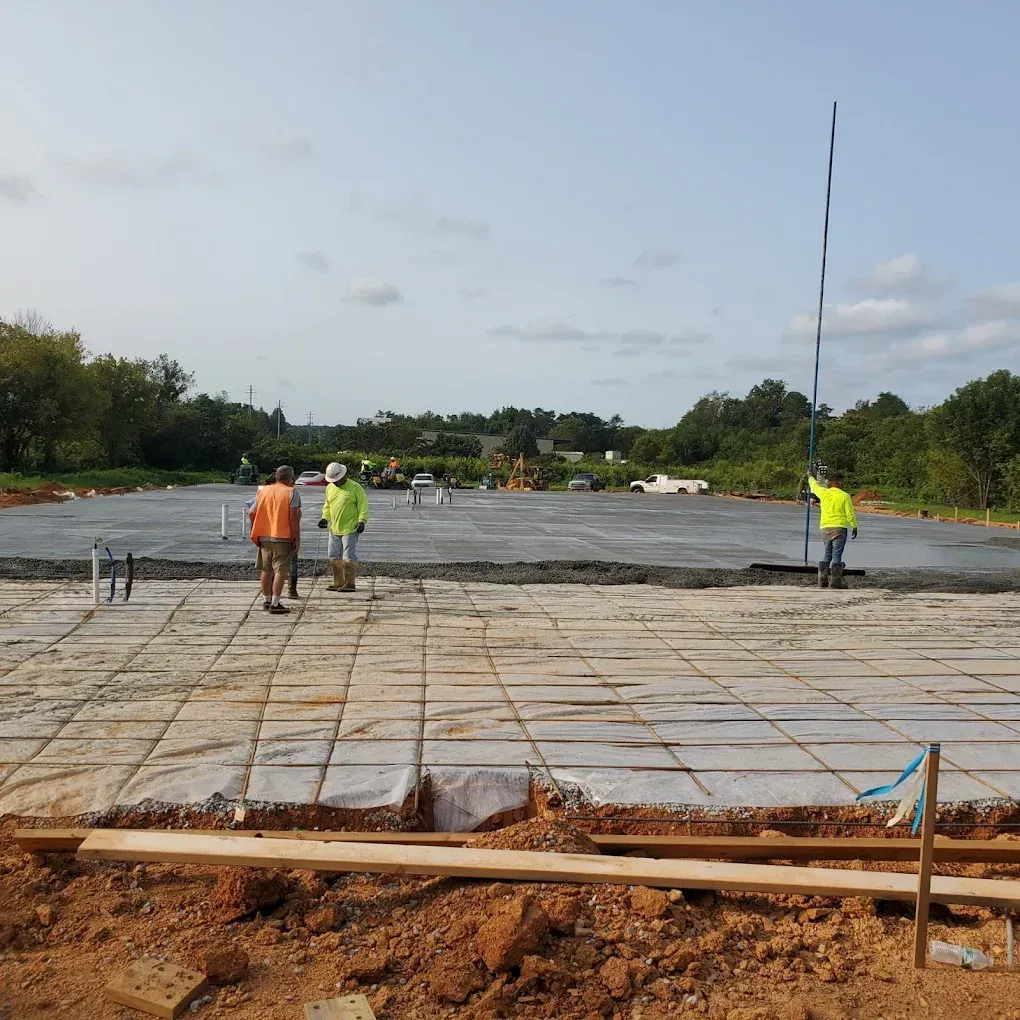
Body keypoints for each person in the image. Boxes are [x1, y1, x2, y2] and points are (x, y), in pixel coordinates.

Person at [248, 465, 302, 613]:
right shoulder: (291, 492)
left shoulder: (263, 491)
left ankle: (266, 599)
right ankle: (276, 603)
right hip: (283, 536)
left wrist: (255, 528)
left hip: (264, 535)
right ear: (291, 479)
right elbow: (293, 518)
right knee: (280, 570)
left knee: (266, 569)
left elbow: (251, 512)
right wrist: (297, 538)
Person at [318, 462, 369, 592]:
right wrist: (324, 518)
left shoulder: (355, 487)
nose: (335, 483)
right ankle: (338, 582)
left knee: (349, 556)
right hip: (334, 528)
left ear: (343, 476)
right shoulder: (330, 488)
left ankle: (350, 583)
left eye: (337, 480)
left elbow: (363, 505)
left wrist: (362, 521)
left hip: (350, 528)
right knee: (334, 556)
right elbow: (327, 506)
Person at [808, 469, 857, 589]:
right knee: (837, 555)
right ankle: (835, 581)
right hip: (839, 528)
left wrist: (810, 476)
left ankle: (822, 580)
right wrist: (854, 526)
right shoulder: (845, 496)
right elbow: (849, 513)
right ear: (839, 482)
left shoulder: (824, 493)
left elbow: (814, 486)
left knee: (827, 554)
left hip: (825, 528)